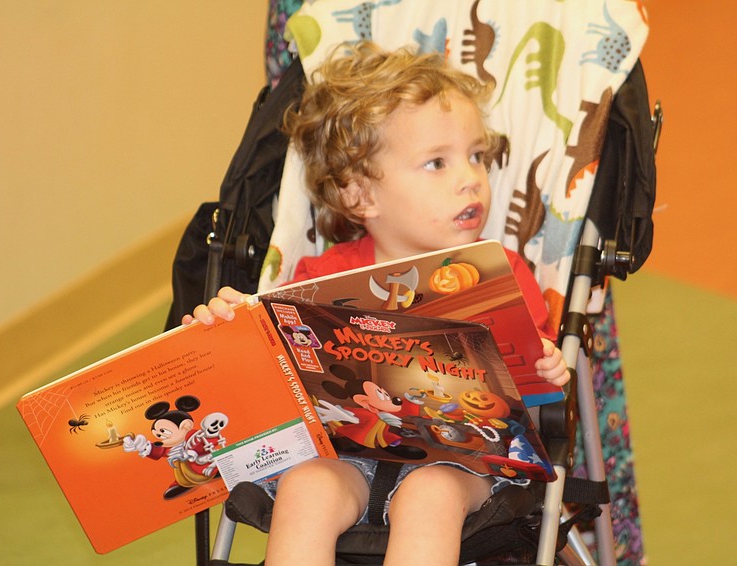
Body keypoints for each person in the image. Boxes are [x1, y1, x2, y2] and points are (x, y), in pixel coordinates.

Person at [184, 41, 569, 566]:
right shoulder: (318, 279)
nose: (471, 179)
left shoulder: (499, 276)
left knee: (428, 496)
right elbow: (273, 385)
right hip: (346, 457)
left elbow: (533, 387)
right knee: (305, 489)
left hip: (461, 466)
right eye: (437, 162)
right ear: (360, 195)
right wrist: (227, 330)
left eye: (477, 156)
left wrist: (547, 364)